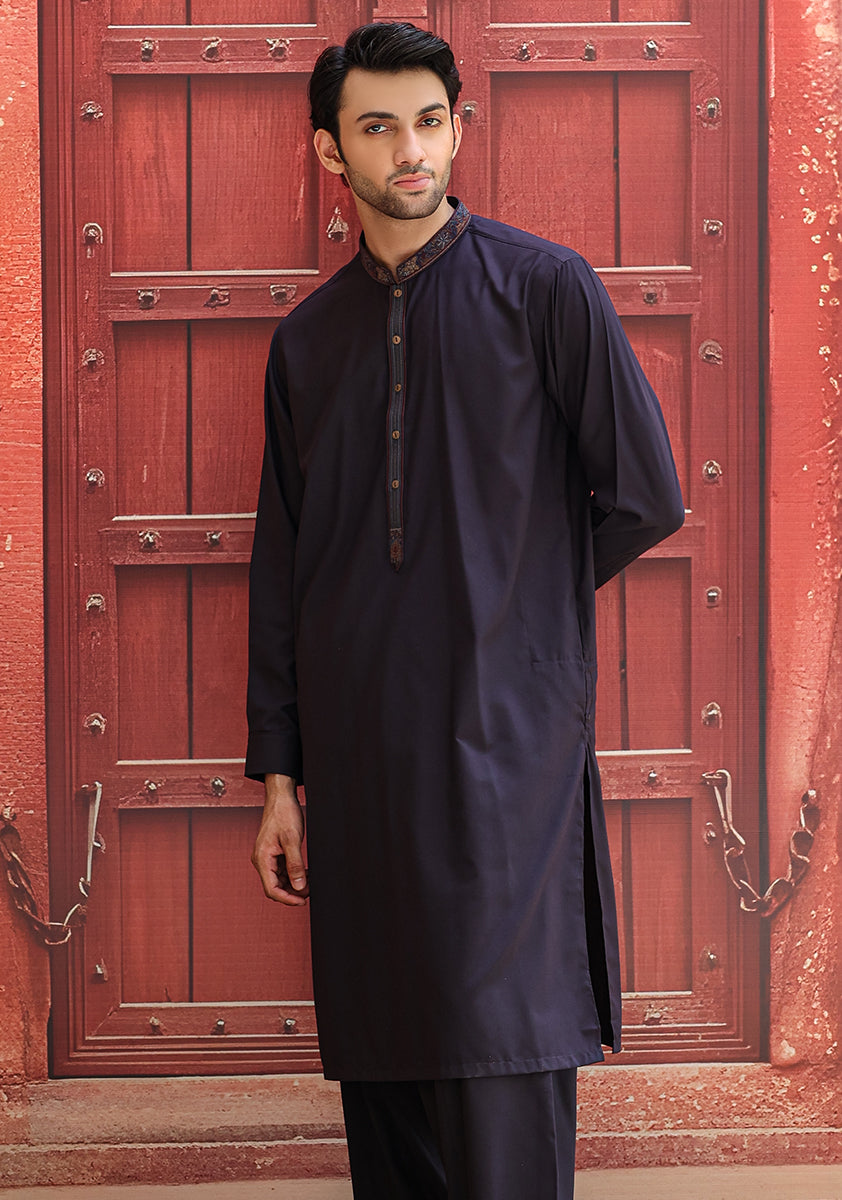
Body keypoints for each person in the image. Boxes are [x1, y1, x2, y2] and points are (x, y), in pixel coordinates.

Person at [247, 21, 684, 1200]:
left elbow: (644, 495)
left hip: (505, 743)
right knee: (386, 1067)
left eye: (429, 122)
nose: (410, 149)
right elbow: (284, 565)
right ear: (331, 152)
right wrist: (281, 779)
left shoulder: (544, 290)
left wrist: (511, 602)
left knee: (503, 1047)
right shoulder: (307, 343)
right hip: (360, 758)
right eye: (378, 126)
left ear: (457, 130)